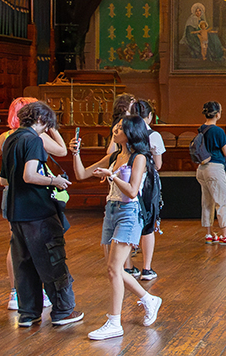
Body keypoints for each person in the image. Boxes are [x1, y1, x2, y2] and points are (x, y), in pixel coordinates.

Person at [71, 115, 163, 341]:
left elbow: (132, 191)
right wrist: (75, 153)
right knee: (114, 269)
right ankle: (149, 299)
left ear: (131, 132)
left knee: (114, 269)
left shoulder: (139, 157)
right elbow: (81, 174)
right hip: (111, 211)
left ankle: (114, 322)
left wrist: (112, 176)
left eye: (121, 127)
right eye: (116, 126)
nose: (115, 129)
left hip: (129, 213)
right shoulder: (114, 155)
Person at [0, 95, 67, 311]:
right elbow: (62, 150)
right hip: (30, 196)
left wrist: (3, 180)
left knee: (16, 244)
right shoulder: (35, 137)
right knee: (36, 244)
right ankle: (38, 293)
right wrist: (52, 128)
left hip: (10, 194)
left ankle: (14, 292)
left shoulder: (6, 137)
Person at [1, 101, 83, 328]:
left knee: (24, 265)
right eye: (48, 124)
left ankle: (28, 314)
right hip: (37, 211)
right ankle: (63, 311)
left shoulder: (10, 140)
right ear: (41, 120)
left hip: (16, 212)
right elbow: (29, 175)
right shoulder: (34, 140)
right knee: (52, 261)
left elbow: (4, 178)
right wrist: (54, 181)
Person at [195, 101, 226, 245]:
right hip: (214, 169)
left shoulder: (201, 128)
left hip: (202, 169)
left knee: (207, 202)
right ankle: (225, 235)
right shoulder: (218, 131)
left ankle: (209, 234)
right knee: (223, 201)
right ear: (218, 114)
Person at [132, 99, 165, 280]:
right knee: (148, 223)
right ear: (150, 116)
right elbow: (158, 165)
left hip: (129, 180)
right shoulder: (153, 135)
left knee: (130, 219)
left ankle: (128, 267)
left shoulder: (126, 132)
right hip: (148, 183)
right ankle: (146, 268)